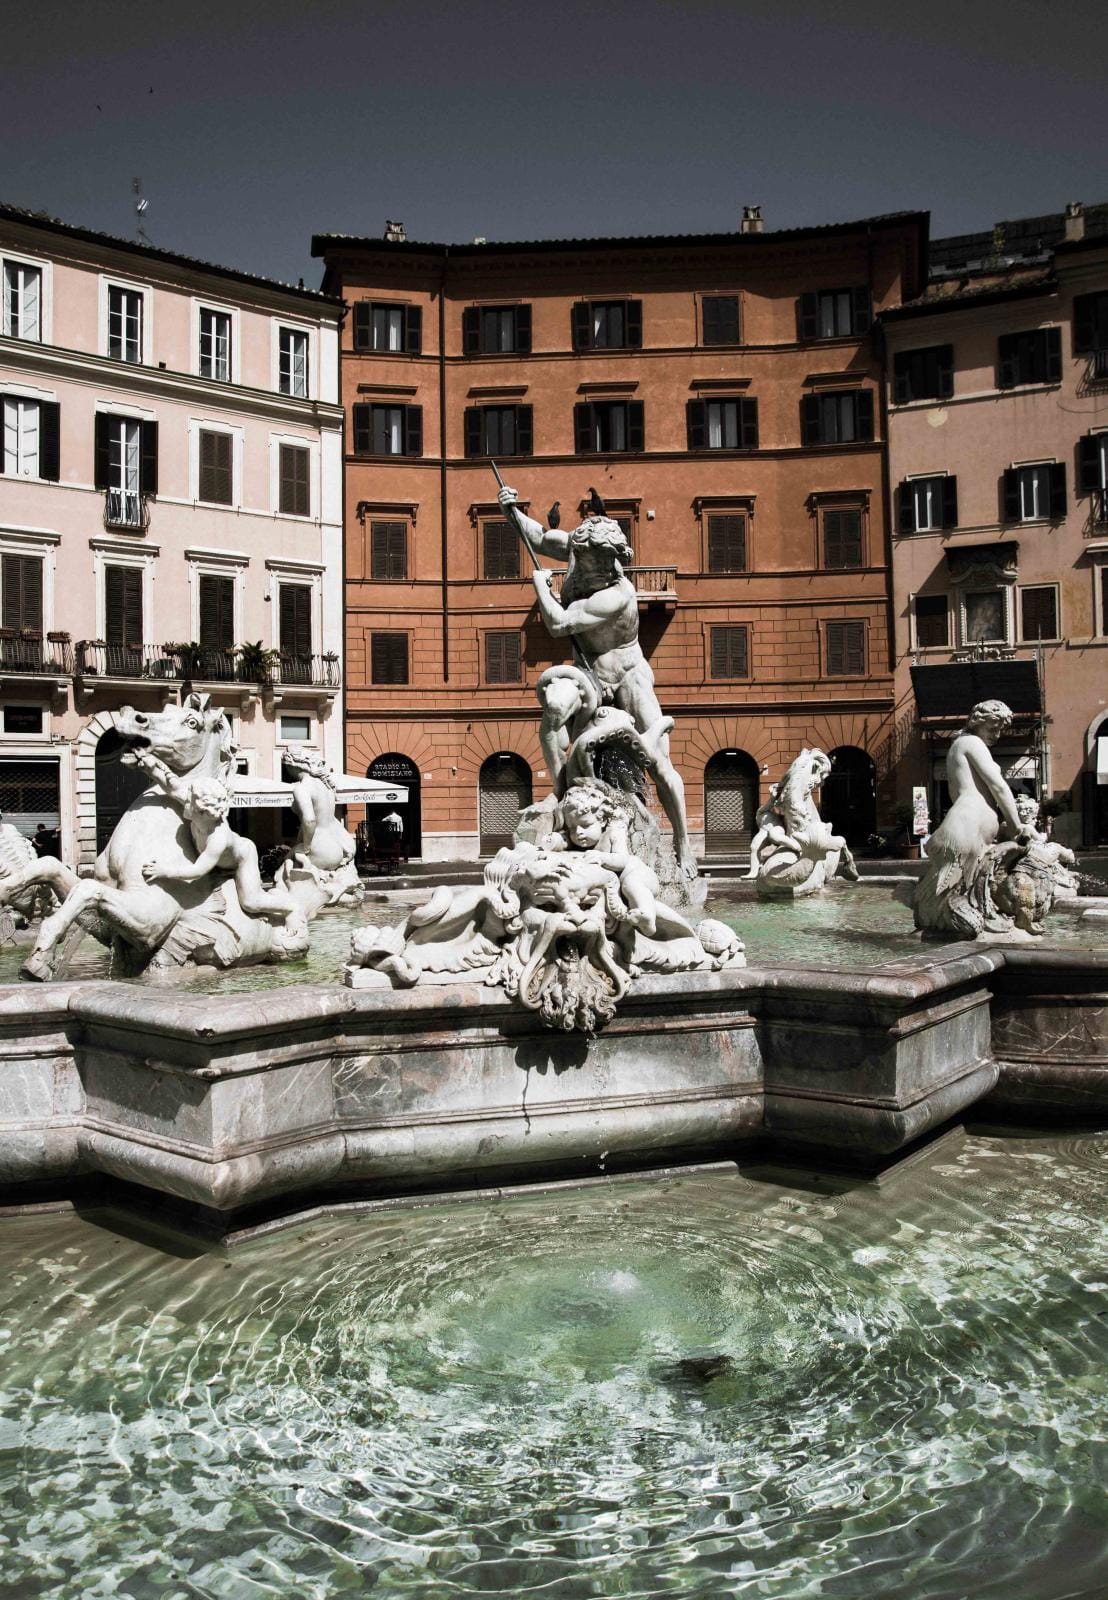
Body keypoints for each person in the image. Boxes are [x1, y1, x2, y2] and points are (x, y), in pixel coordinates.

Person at [497, 483, 696, 877]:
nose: (598, 568)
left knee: (659, 762)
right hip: (587, 674)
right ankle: (561, 791)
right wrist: (511, 511)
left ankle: (683, 843)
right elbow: (538, 537)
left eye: (604, 562)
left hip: (628, 674)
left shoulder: (618, 593)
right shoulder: (578, 547)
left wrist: (541, 587)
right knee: (554, 709)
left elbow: (559, 624)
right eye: (590, 560)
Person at [134, 752, 302, 929]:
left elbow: (197, 871)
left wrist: (164, 871)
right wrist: (151, 768)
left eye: (192, 804)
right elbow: (173, 787)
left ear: (205, 812)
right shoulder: (198, 805)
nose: (187, 805)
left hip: (242, 858)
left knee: (251, 902)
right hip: (217, 860)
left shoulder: (217, 838)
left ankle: (291, 908)